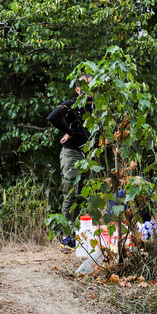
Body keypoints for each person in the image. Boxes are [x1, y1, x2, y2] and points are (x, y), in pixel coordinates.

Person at [48, 75, 93, 251]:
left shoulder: (97, 107)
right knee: (70, 194)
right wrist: (70, 131)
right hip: (71, 153)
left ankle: (77, 233)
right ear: (77, 89)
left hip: (88, 156)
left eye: (91, 84)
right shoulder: (72, 104)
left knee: (82, 195)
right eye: (84, 85)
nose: (88, 87)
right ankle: (67, 237)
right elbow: (52, 117)